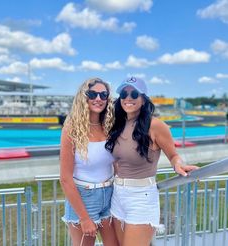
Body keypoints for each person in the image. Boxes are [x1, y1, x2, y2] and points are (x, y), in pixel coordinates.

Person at [105, 77, 199, 246]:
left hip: (141, 197)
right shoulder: (118, 125)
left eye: (134, 93)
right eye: (124, 94)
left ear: (143, 99)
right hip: (117, 194)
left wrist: (177, 164)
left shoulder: (156, 125)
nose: (128, 98)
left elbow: (173, 155)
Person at [60, 78, 119, 246]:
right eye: (92, 94)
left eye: (103, 94)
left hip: (109, 194)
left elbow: (116, 163)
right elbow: (65, 178)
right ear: (83, 97)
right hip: (84, 198)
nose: (98, 98)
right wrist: (84, 218)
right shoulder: (71, 128)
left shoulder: (109, 125)